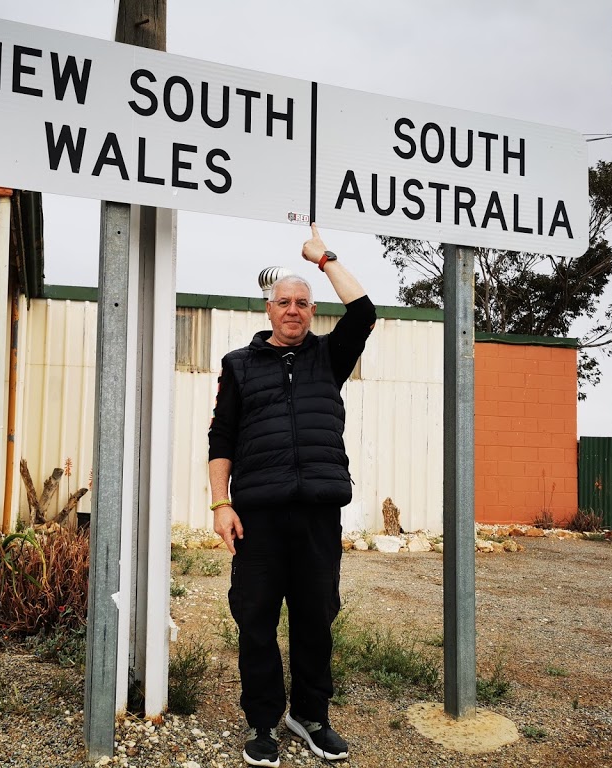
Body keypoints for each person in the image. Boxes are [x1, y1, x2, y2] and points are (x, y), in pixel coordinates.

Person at [207, 224, 376, 767]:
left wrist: (323, 258)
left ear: (312, 310)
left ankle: (310, 717)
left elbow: (365, 313)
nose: (294, 310)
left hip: (318, 515)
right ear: (268, 308)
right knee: (255, 618)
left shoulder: (329, 357)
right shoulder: (239, 365)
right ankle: (262, 724)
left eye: (304, 303)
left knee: (314, 617)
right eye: (285, 302)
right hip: (257, 517)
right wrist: (220, 503)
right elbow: (221, 439)